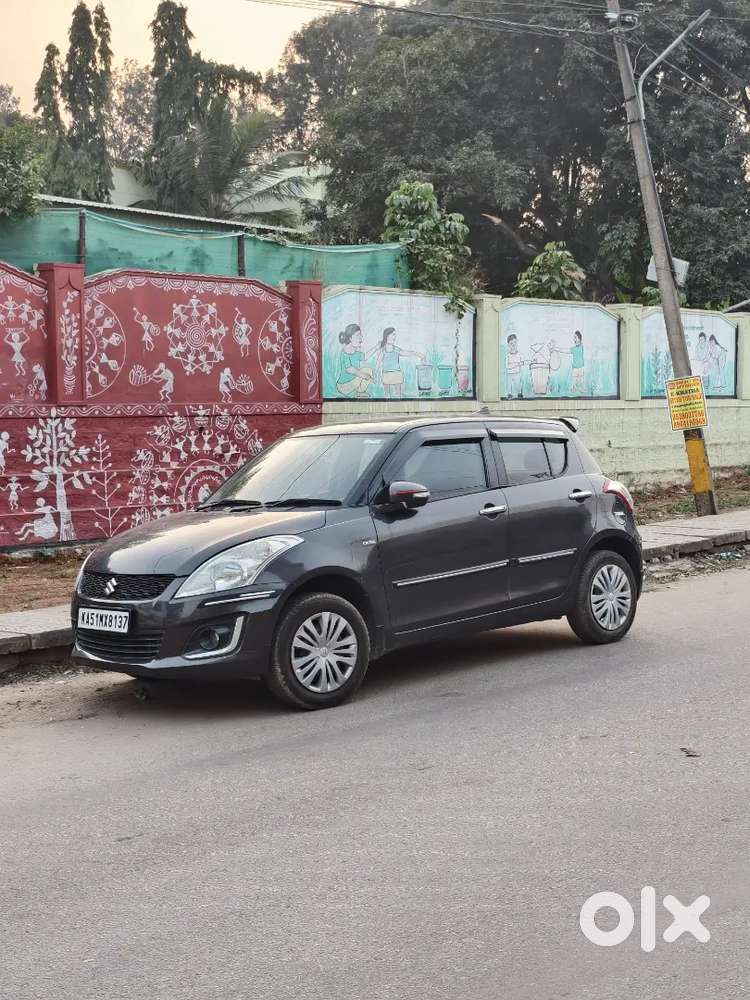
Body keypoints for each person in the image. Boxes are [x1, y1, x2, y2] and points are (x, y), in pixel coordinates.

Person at [368, 327, 425, 399]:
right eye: (393, 334)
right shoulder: (383, 350)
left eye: (395, 335)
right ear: (387, 336)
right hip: (386, 374)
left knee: (398, 394)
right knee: (387, 395)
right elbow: (377, 364)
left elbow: (408, 353)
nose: (395, 337)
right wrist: (375, 375)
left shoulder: (396, 349)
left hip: (396, 373)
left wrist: (419, 355)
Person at [335, 325, 374, 397]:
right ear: (350, 338)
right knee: (366, 372)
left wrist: (376, 347)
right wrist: (365, 376)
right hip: (344, 385)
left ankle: (360, 392)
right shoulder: (345, 352)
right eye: (358, 335)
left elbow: (365, 356)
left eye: (361, 335)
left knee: (368, 370)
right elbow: (350, 369)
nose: (361, 337)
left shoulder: (355, 353)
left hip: (351, 382)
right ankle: (360, 392)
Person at [505, 334, 524, 399]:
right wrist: (516, 364)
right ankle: (509, 394)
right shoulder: (508, 355)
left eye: (515, 342)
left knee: (518, 384)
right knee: (509, 385)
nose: (513, 344)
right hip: (509, 373)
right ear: (508, 344)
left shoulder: (519, 354)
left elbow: (522, 363)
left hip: (517, 373)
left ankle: (519, 394)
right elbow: (507, 366)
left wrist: (521, 363)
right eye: (511, 343)